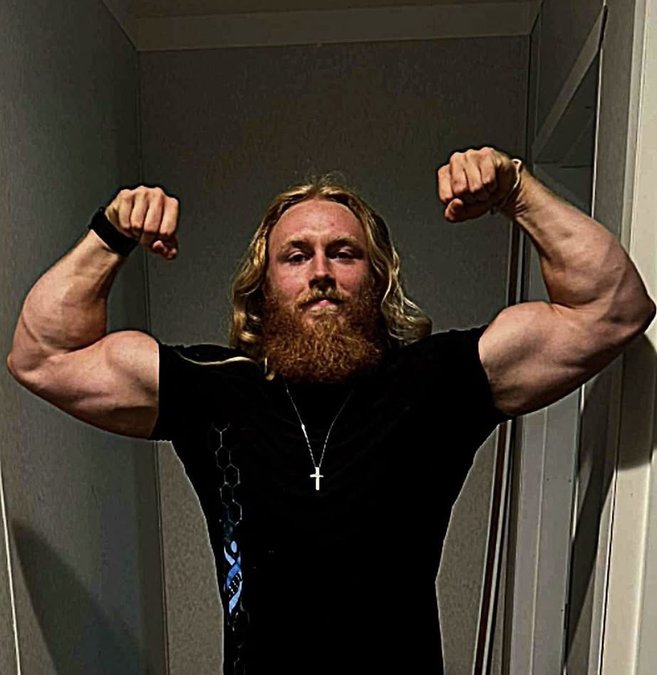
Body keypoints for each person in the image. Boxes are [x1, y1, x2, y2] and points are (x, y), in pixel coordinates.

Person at [6, 146, 655, 674]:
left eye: (343, 253)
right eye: (296, 255)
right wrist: (110, 234)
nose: (320, 271)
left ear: (377, 277)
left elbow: (613, 308)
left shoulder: (437, 380)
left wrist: (516, 190)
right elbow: (42, 356)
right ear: (264, 285)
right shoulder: (211, 387)